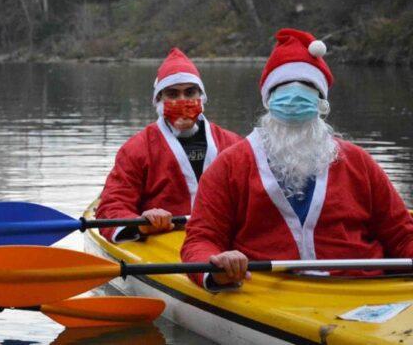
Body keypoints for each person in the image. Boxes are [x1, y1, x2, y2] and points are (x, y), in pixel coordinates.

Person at [181, 28, 413, 290]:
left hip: (363, 288)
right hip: (271, 294)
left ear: (322, 102)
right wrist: (218, 266)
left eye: (307, 88)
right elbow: (200, 240)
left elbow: (402, 235)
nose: (294, 98)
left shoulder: (359, 162)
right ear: (269, 99)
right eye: (283, 89)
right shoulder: (230, 165)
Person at [96, 48, 242, 242]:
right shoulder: (136, 149)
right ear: (159, 101)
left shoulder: (233, 144)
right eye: (172, 94)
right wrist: (140, 223)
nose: (182, 101)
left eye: (190, 92)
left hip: (223, 241)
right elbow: (112, 205)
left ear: (202, 97)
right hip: (164, 241)